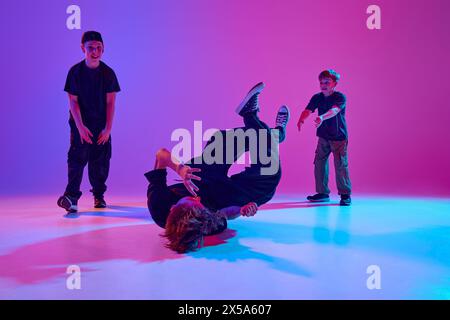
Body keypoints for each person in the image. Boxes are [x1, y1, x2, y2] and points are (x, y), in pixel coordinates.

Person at [145, 82, 290, 253]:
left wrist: (181, 169)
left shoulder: (158, 206)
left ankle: (262, 123)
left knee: (253, 137)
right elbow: (225, 214)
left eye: (192, 201)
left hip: (199, 174)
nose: (198, 199)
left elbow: (161, 155)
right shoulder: (204, 225)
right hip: (222, 196)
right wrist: (242, 210)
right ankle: (274, 131)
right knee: (268, 181)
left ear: (174, 208)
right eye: (201, 207)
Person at [57, 31, 121, 213]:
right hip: (80, 124)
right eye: (91, 48)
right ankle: (71, 198)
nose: (95, 51)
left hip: (101, 125)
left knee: (100, 161)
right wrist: (80, 127)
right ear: (82, 48)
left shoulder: (108, 73)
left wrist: (108, 128)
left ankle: (99, 195)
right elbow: (73, 102)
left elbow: (111, 103)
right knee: (77, 159)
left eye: (99, 47)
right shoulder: (75, 72)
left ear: (103, 48)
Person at [297, 69, 352, 206]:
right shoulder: (317, 97)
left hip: (339, 137)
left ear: (334, 83)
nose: (323, 85)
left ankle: (345, 194)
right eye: (321, 82)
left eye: (327, 82)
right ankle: (322, 192)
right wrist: (301, 119)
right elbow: (308, 110)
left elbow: (334, 111)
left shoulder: (340, 97)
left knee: (340, 165)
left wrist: (322, 117)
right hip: (323, 136)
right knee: (319, 163)